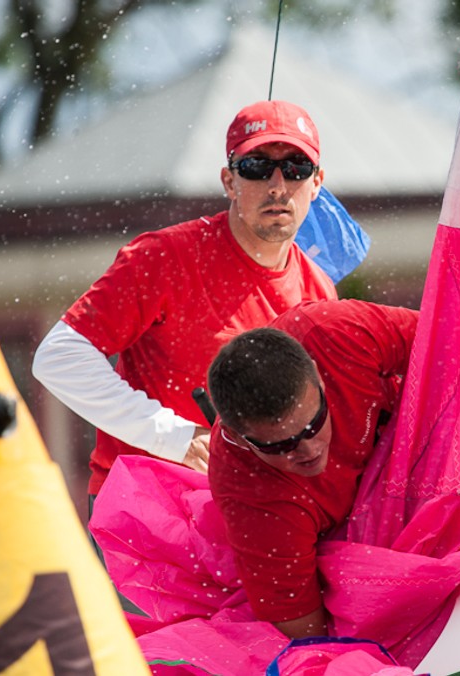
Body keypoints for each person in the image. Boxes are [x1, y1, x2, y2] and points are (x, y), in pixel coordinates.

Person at [205, 298, 460, 639]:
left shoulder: (335, 333)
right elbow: (305, 637)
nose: (309, 449)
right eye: (282, 445)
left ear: (320, 380)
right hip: (368, 562)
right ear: (241, 440)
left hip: (438, 477)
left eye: (314, 423)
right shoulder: (248, 494)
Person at [32, 99, 336, 499]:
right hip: (147, 506)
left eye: (296, 168)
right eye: (257, 168)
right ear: (229, 181)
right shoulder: (164, 256)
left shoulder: (320, 290)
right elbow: (59, 357)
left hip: (250, 510)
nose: (278, 185)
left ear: (316, 183)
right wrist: (176, 438)